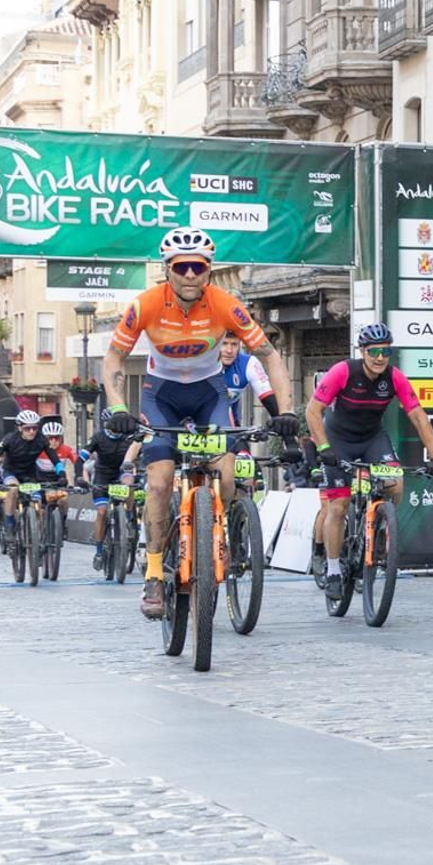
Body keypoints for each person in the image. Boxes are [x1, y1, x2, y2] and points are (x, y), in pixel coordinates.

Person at [103, 226, 299, 619]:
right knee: (158, 481)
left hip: (210, 393)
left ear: (209, 269)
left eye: (199, 267)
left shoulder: (226, 304)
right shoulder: (146, 305)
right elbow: (112, 360)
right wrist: (118, 406)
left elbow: (270, 355)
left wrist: (286, 412)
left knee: (227, 475)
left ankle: (216, 535)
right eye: (182, 266)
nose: (191, 274)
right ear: (168, 269)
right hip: (162, 395)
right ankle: (155, 573)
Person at [306, 323, 433, 601]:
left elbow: (418, 416)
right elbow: (312, 411)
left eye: (386, 351)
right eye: (374, 351)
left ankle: (380, 529)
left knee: (395, 483)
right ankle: (333, 569)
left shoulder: (395, 378)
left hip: (371, 439)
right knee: (339, 506)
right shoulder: (343, 371)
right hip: (338, 440)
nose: (380, 357)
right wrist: (323, 447)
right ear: (362, 351)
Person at [0, 409, 69, 543]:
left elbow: (55, 459)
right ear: (20, 428)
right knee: (13, 490)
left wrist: (61, 473)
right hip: (11, 472)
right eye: (27, 428)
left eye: (34, 428)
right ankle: (9, 524)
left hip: (30, 474)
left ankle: (38, 535)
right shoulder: (10, 439)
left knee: (37, 502)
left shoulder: (41, 440)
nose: (32, 431)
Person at [86, 409, 144, 571]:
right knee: (102, 512)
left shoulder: (130, 436)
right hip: (102, 476)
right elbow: (82, 458)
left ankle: (129, 515)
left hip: (122, 473)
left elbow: (143, 451)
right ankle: (98, 551)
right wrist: (79, 476)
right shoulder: (98, 437)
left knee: (129, 482)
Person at [220, 332, 280, 425]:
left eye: (234, 344)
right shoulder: (200, 361)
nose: (229, 350)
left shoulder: (249, 363)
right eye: (224, 343)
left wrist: (281, 420)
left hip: (230, 424)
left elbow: (267, 395)